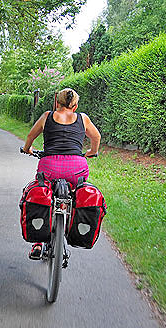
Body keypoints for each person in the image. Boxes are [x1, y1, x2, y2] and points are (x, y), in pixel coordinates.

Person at [22, 88, 101, 259]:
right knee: (75, 193)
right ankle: (70, 224)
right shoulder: (83, 118)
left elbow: (31, 135)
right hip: (76, 169)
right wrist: (91, 152)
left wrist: (27, 149)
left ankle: (38, 242)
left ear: (57, 102)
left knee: (44, 193)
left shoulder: (47, 116)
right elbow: (96, 137)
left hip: (49, 167)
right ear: (75, 105)